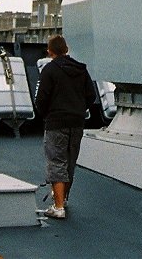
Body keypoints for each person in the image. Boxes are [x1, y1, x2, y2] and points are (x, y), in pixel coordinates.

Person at [34, 34, 96, 220]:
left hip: (56, 122)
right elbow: (90, 95)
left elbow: (41, 99)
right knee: (70, 161)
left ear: (50, 51)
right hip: (77, 122)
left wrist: (47, 115)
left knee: (56, 161)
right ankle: (64, 199)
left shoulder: (49, 70)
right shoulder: (81, 70)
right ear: (66, 50)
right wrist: (78, 109)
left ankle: (58, 206)